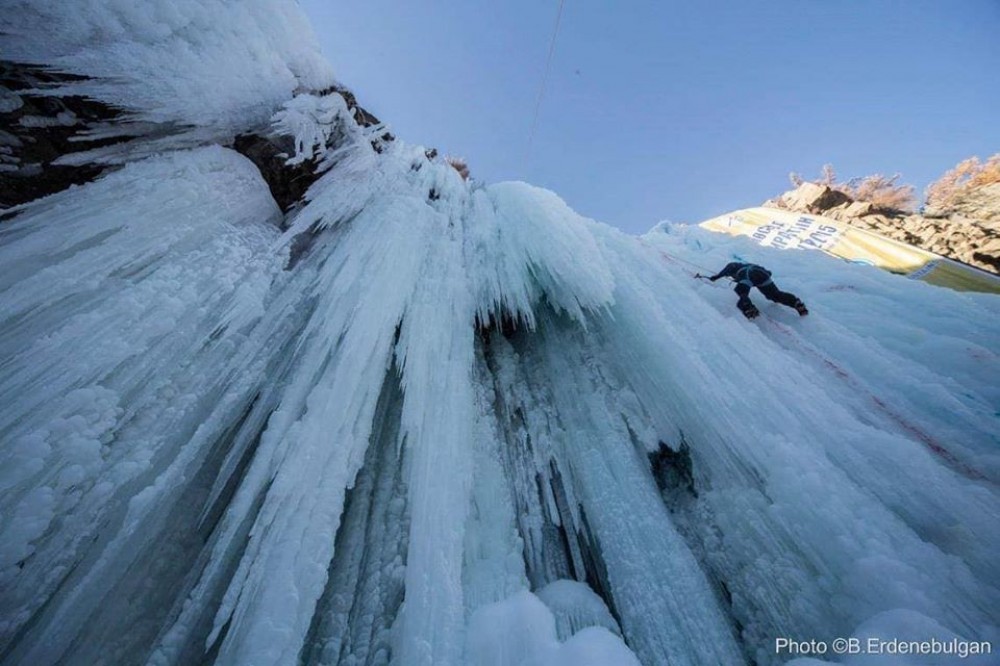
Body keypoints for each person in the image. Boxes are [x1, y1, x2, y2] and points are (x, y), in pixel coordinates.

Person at [696, 262, 808, 320]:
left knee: (740, 291)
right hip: (762, 275)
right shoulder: (746, 265)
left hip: (748, 275)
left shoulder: (732, 266)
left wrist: (713, 278)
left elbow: (722, 273)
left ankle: (748, 308)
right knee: (774, 295)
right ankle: (795, 302)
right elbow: (767, 271)